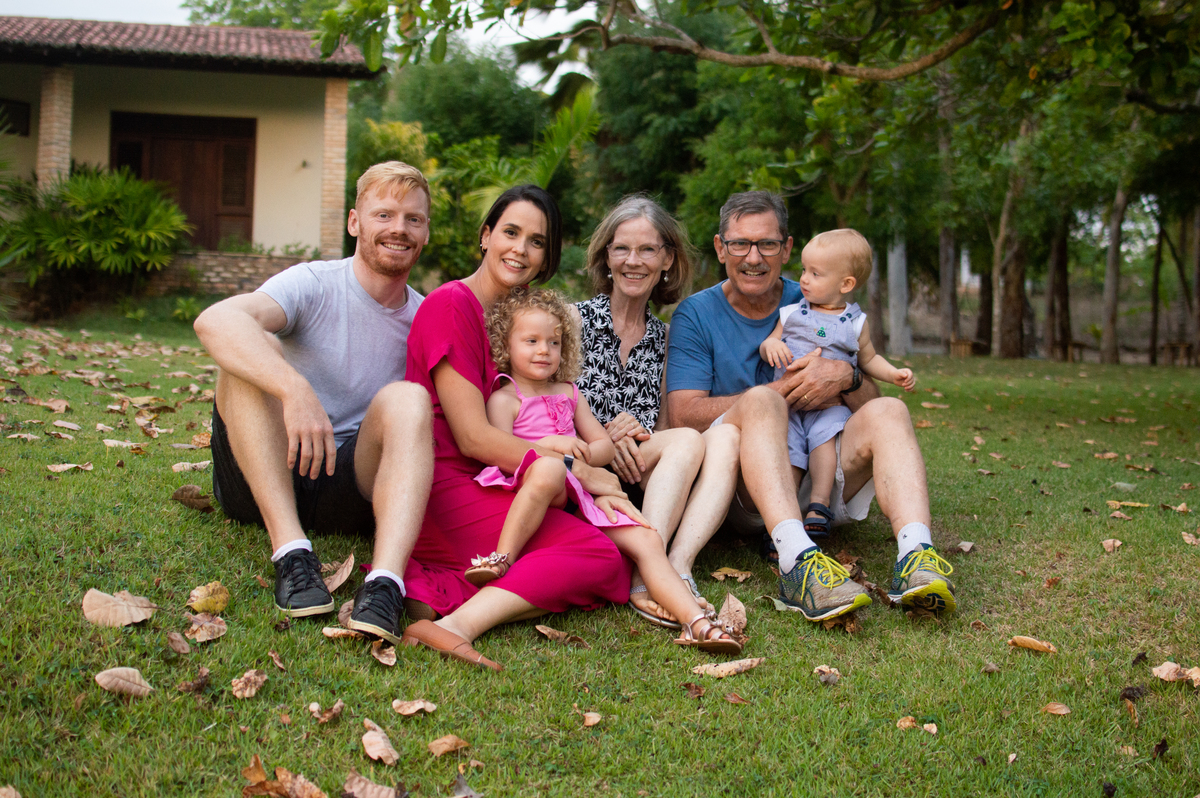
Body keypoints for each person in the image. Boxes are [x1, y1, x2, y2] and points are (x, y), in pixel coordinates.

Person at [666, 191, 956, 622]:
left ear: (786, 248)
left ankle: (916, 555)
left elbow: (869, 403)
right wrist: (779, 391)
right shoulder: (696, 314)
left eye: (767, 244)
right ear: (720, 248)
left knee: (890, 411)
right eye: (740, 243)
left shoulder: (821, 294)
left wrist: (847, 377)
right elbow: (683, 415)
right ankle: (796, 563)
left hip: (822, 470)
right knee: (763, 399)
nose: (753, 257)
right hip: (750, 487)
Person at [194, 161, 434, 646]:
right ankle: (291, 554)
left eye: (413, 218)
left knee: (409, 398)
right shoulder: (315, 283)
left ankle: (385, 585)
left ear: (426, 232)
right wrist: (294, 389)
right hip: (263, 469)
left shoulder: (425, 315)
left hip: (346, 483)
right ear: (354, 222)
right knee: (254, 347)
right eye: (384, 215)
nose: (399, 229)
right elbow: (215, 321)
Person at [398, 186, 637, 671]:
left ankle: (451, 603)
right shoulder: (452, 304)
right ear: (485, 236)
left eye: (537, 241)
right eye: (510, 232)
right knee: (597, 557)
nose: (521, 250)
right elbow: (472, 438)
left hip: (508, 480)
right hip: (448, 483)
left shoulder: (524, 318)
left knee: (609, 558)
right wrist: (577, 470)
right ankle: (454, 626)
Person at [465, 287, 739, 653]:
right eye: (531, 341)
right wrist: (553, 445)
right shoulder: (504, 398)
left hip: (582, 491)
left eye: (553, 342)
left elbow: (603, 447)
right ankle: (502, 558)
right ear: (505, 345)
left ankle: (697, 623)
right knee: (548, 472)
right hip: (534, 486)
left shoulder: (569, 393)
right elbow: (501, 454)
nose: (544, 350)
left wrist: (584, 453)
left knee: (647, 539)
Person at [573, 195, 740, 627]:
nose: (634, 261)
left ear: (667, 259)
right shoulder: (573, 322)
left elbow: (665, 426)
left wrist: (636, 431)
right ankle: (652, 573)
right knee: (686, 440)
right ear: (606, 256)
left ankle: (662, 569)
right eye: (622, 249)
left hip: (641, 473)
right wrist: (603, 434)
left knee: (709, 438)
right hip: (581, 465)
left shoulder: (667, 339)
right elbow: (545, 404)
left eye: (647, 249)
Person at [758, 229, 916, 537]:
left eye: (815, 273)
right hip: (789, 406)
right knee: (788, 452)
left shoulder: (855, 323)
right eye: (804, 270)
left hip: (829, 406)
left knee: (825, 443)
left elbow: (869, 359)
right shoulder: (791, 314)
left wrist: (893, 374)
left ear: (846, 284)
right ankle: (783, 516)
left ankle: (819, 505)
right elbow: (769, 342)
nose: (804, 279)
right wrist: (771, 346)